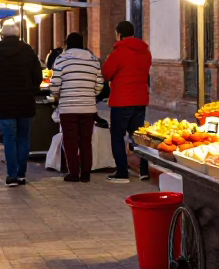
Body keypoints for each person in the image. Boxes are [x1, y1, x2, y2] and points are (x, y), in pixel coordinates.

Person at [0, 22, 42, 187]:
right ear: (18, 35)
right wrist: (33, 88)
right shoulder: (28, 51)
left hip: (5, 102)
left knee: (9, 139)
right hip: (25, 102)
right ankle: (22, 175)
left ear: (2, 35)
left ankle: (12, 175)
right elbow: (38, 75)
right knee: (23, 138)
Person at [101, 20, 152, 183]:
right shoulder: (145, 52)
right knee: (138, 137)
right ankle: (144, 170)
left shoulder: (118, 52)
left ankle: (122, 172)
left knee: (117, 136)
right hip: (140, 100)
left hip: (121, 101)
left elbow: (106, 73)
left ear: (119, 34)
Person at [51, 32, 103, 182]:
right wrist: (87, 93)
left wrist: (58, 95)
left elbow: (55, 85)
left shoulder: (61, 59)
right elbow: (99, 86)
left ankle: (74, 173)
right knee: (86, 140)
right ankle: (86, 173)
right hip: (88, 108)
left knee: (70, 140)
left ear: (67, 44)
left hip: (68, 109)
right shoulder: (94, 60)